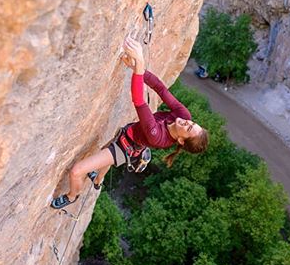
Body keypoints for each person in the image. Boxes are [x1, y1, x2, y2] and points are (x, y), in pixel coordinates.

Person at [50, 35, 209, 209]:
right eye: (192, 124)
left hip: (125, 148)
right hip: (128, 135)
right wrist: (136, 68)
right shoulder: (184, 115)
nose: (187, 123)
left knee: (77, 171)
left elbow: (139, 101)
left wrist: (139, 65)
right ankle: (98, 180)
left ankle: (73, 196)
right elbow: (160, 89)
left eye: (188, 128)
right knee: (106, 159)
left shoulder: (158, 137)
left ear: (180, 140)